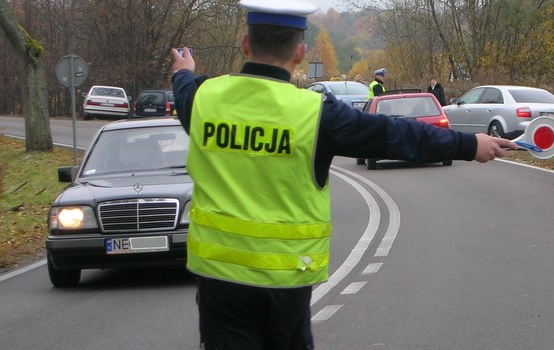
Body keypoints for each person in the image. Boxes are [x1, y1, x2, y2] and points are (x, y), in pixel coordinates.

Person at [170, 0, 516, 348]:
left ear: (245, 44)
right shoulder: (316, 113)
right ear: (301, 52)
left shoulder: (203, 99)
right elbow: (393, 135)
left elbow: (183, 87)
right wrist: (468, 145)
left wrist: (183, 69)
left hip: (219, 278)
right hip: (287, 281)